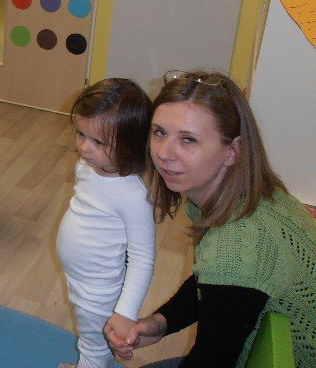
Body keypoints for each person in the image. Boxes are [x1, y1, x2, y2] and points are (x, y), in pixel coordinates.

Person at [107, 71, 316, 367]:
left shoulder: (236, 245)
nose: (164, 153)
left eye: (188, 140)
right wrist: (161, 323)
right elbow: (216, 285)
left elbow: (212, 359)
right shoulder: (255, 195)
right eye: (159, 132)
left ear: (232, 152)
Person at [56, 78, 155, 368]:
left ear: (130, 145)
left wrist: (125, 312)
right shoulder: (87, 166)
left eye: (98, 142)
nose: (85, 147)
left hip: (99, 291)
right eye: (81, 134)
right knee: (92, 337)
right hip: (79, 279)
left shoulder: (133, 196)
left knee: (94, 345)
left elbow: (142, 259)